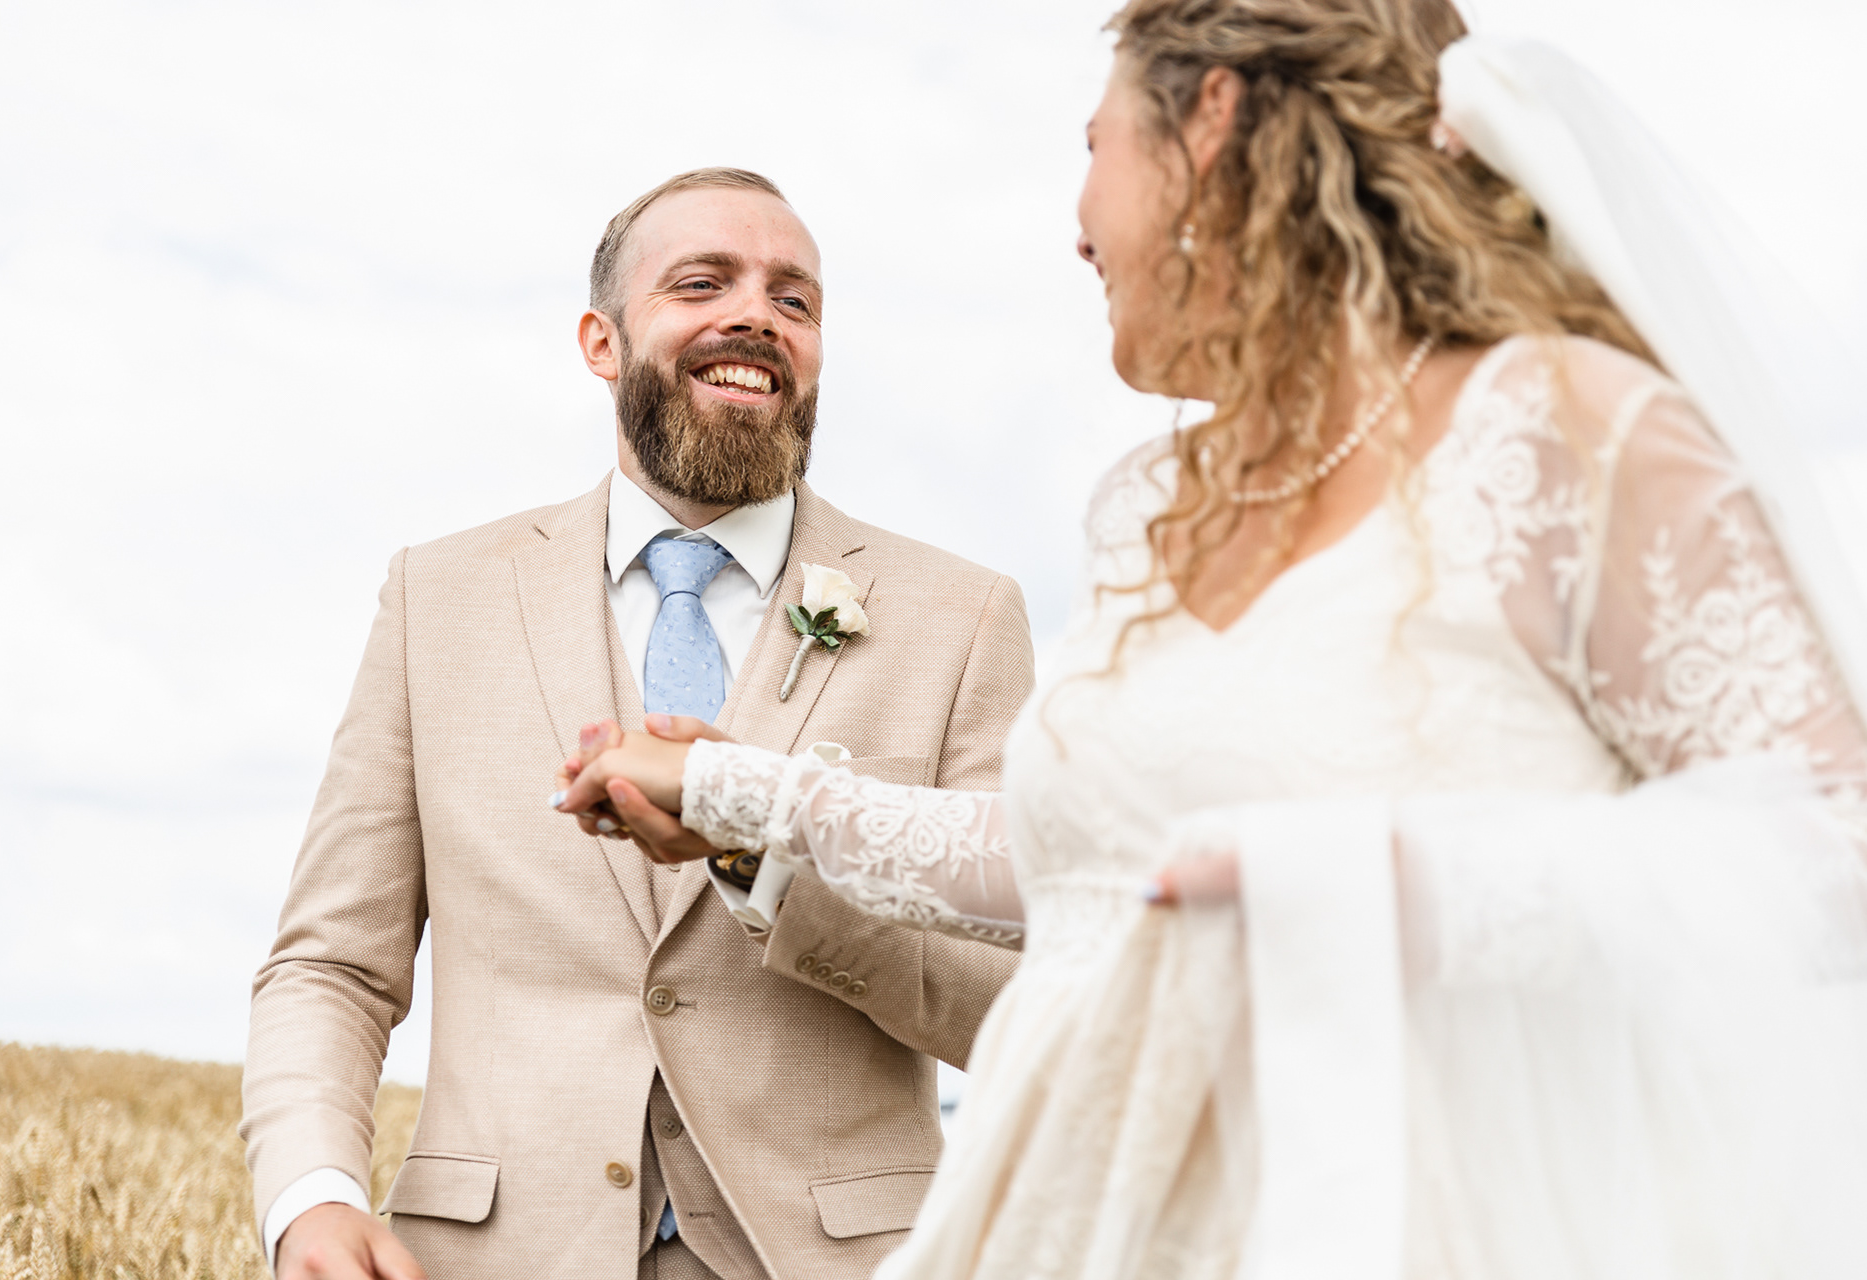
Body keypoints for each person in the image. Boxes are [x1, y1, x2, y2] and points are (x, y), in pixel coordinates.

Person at [556, 4, 1867, 1277]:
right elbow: (1087, 857)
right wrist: (733, 788)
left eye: (1095, 146)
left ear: (1213, 123)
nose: (1077, 228)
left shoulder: (1564, 427)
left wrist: (1396, 882)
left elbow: (1834, 844)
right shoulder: (1153, 501)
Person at [241, 168, 1033, 1280]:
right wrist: (311, 1199)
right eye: (702, 283)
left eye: (794, 299)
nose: (756, 315)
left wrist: (769, 860)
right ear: (601, 342)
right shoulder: (438, 597)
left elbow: (1020, 1003)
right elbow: (332, 962)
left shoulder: (964, 617)